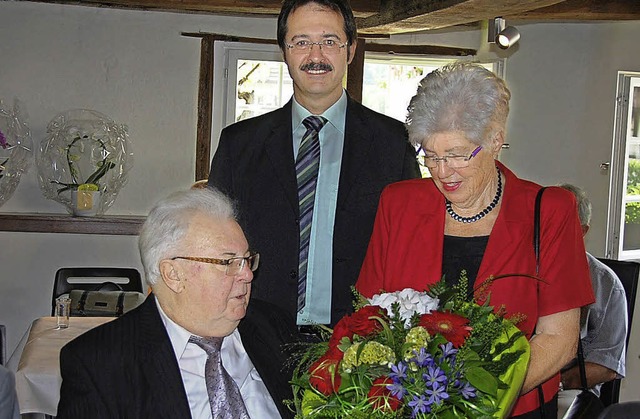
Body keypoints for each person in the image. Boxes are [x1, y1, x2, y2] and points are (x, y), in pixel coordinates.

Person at [355, 62, 595, 418]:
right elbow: (367, 311)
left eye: (456, 155)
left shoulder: (550, 210)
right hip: (413, 406)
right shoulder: (399, 202)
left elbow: (559, 340)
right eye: (430, 155)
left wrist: (473, 401)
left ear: (495, 141)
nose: (441, 171)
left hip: (512, 408)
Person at [208, 0, 420, 327]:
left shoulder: (393, 143)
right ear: (284, 50)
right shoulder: (239, 144)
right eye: (302, 42)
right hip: (255, 334)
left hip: (359, 341)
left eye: (330, 42)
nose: (316, 56)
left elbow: (410, 247)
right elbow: (214, 241)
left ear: (350, 50)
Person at [57, 188, 297, 419]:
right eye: (228, 263)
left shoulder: (274, 326)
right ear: (173, 274)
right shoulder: (100, 364)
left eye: (247, 260)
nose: (247, 275)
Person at [557, 184, 627, 417]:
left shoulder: (607, 284)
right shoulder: (519, 267)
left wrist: (555, 384)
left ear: (582, 231)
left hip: (569, 389)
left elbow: (606, 367)